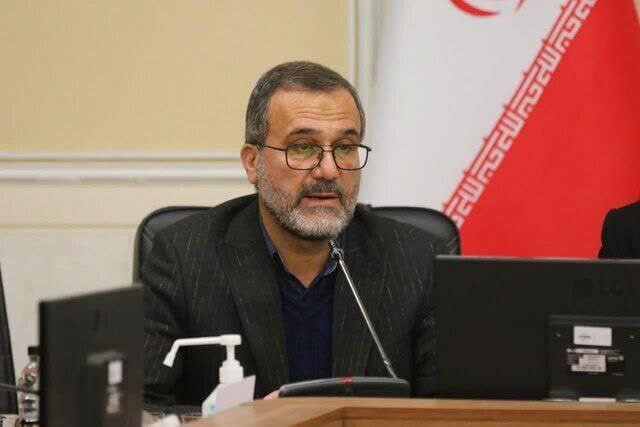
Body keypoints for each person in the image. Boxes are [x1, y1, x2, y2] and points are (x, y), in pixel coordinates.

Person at [142, 61, 445, 405]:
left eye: (344, 147)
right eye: (302, 147)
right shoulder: (183, 257)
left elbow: (455, 409)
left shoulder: (418, 260)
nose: (328, 170)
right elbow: (142, 406)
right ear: (252, 163)